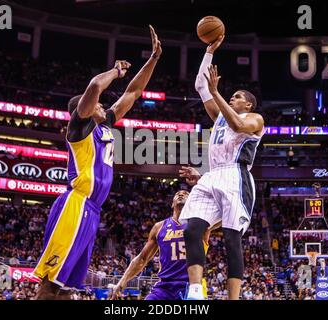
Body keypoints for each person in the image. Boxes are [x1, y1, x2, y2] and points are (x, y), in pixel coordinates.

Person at [33, 25, 162, 300]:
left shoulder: (105, 127)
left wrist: (153, 59)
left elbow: (133, 93)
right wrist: (115, 71)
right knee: (51, 283)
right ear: (84, 110)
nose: (104, 105)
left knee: (68, 287)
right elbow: (93, 86)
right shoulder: (79, 129)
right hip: (76, 203)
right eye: (98, 104)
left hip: (92, 211)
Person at [178, 36, 265, 300]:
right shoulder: (219, 117)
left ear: (247, 104)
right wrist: (209, 51)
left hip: (235, 177)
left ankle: (233, 299)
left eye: (238, 96)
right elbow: (199, 85)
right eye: (232, 95)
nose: (232, 96)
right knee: (192, 228)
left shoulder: (255, 119)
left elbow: (238, 126)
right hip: (212, 175)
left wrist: (216, 93)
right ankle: (195, 291)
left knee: (230, 239)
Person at [111, 190, 212, 300]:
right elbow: (142, 259)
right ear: (172, 204)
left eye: (186, 193)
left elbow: (221, 215)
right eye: (177, 193)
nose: (181, 194)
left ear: (191, 202)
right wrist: (121, 283)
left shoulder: (200, 225)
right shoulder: (159, 227)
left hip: (190, 285)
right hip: (164, 287)